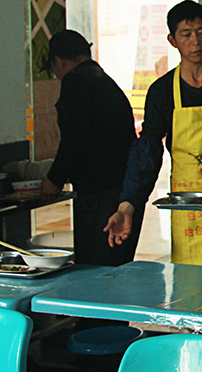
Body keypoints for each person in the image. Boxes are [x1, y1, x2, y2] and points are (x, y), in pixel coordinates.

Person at [103, 0, 202, 267]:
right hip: (189, 205)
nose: (196, 41)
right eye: (186, 34)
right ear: (172, 40)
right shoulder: (162, 91)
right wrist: (127, 205)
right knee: (191, 281)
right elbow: (147, 151)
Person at [41, 30, 140, 266]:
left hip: (98, 192)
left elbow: (74, 138)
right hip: (122, 187)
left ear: (60, 62)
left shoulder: (75, 82)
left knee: (94, 265)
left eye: (54, 69)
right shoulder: (104, 80)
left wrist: (54, 178)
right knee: (116, 261)